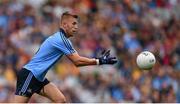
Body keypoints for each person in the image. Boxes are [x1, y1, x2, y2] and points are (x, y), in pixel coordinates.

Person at [13, 11, 117, 103]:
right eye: (74, 23)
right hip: (30, 75)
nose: (76, 27)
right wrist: (99, 61)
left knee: (60, 100)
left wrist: (98, 60)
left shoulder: (62, 39)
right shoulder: (61, 39)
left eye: (77, 24)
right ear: (64, 24)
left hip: (38, 78)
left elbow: (78, 59)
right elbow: (77, 61)